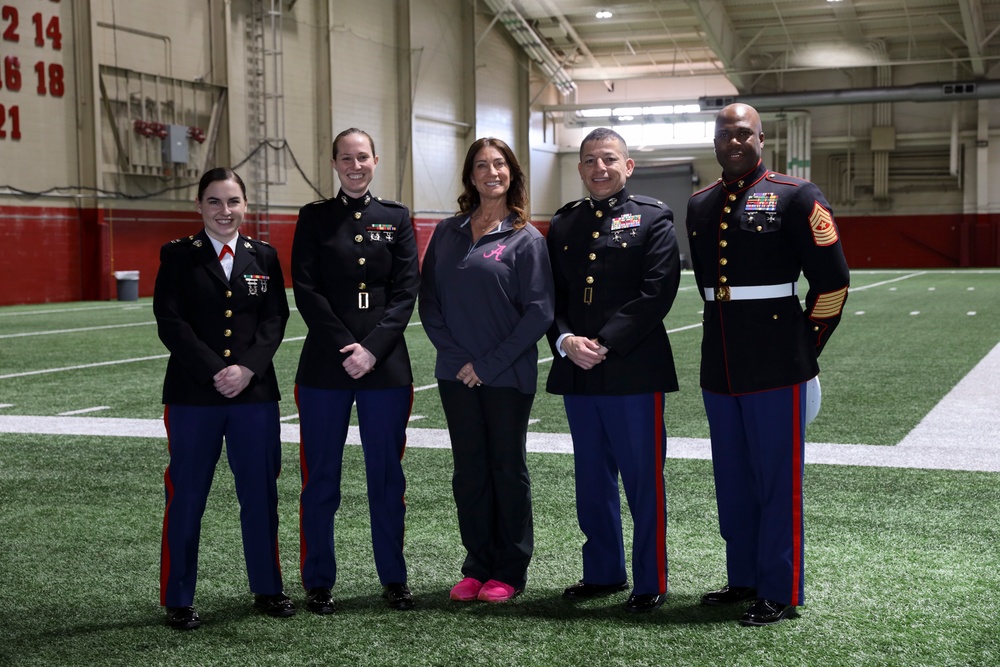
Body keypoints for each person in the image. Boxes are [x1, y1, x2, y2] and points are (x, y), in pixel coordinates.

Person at [687, 103, 850, 626]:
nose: (733, 141)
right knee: (732, 481)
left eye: (742, 133)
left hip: (780, 365)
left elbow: (833, 282)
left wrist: (805, 346)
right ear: (714, 141)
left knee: (779, 484)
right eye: (723, 133)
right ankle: (743, 578)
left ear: (761, 138)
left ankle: (779, 588)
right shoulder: (700, 203)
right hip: (722, 365)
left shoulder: (796, 195)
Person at [546, 127, 680, 613]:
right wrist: (564, 340)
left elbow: (657, 292)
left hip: (632, 369)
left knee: (643, 479)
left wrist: (603, 342)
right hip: (578, 369)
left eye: (608, 159)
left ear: (628, 166)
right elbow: (552, 297)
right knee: (591, 479)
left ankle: (651, 580)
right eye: (588, 160)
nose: (598, 168)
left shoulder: (653, 218)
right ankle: (602, 572)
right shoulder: (563, 223)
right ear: (579, 168)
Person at [153, 167, 294, 630]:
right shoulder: (177, 256)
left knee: (260, 493)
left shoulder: (264, 256)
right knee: (187, 496)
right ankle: (178, 597)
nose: (224, 211)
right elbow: (171, 323)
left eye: (233, 202)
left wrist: (248, 368)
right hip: (195, 395)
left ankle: (268, 588)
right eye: (214, 202)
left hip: (254, 395)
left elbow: (275, 320)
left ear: (245, 206)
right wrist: (219, 370)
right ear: (199, 206)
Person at [419, 137, 554, 603]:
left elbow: (538, 312)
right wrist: (461, 363)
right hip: (456, 374)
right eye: (481, 165)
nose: (490, 172)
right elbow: (430, 302)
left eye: (499, 165)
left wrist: (490, 364)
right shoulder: (447, 232)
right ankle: (477, 564)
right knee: (469, 471)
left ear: (512, 173)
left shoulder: (527, 238)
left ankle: (510, 570)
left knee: (506, 468)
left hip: (507, 375)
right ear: (470, 176)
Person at [292, 128, 419, 613]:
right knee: (321, 476)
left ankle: (394, 577)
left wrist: (373, 348)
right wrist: (347, 346)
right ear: (334, 163)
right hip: (326, 365)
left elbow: (407, 290)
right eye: (346, 158)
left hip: (384, 367)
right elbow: (306, 289)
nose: (355, 165)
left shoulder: (396, 217)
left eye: (362, 156)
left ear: (375, 160)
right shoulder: (314, 217)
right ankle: (318, 580)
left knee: (386, 477)